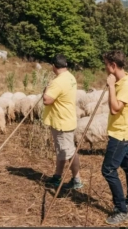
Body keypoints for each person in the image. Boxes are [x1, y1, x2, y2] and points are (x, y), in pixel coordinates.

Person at [101, 50, 128, 225]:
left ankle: (121, 210)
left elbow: (115, 108)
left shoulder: (126, 85)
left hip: (121, 134)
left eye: (106, 65)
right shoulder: (123, 81)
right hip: (127, 131)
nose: (105, 68)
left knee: (108, 170)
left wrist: (110, 86)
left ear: (113, 65)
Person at [41, 53, 83, 190]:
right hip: (67, 119)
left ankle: (77, 179)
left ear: (54, 66)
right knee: (62, 150)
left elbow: (47, 100)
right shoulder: (70, 77)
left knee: (69, 152)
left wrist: (45, 90)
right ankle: (57, 177)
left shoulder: (58, 82)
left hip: (61, 121)